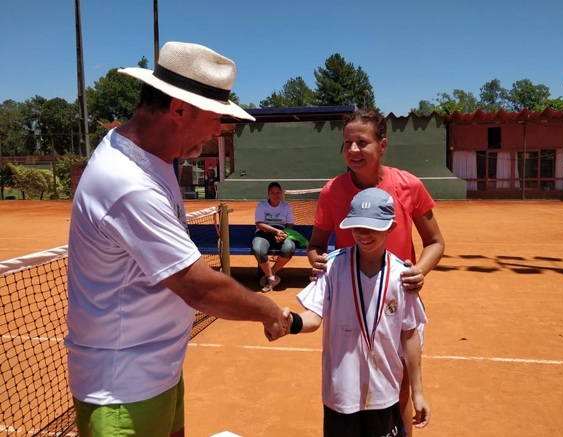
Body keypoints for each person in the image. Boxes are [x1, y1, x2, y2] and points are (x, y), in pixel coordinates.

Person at [65, 42, 290, 437]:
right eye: (216, 117)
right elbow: (196, 287)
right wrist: (267, 310)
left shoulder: (155, 159)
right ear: (180, 109)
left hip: (158, 372)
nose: (219, 129)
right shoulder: (127, 182)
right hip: (123, 391)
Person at [307, 108, 445, 437]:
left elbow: (436, 242)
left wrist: (420, 271)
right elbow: (315, 245)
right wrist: (317, 260)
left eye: (362, 143)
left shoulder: (409, 185)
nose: (353, 150)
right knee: (356, 393)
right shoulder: (332, 191)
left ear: (382, 146)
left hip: (398, 304)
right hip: (352, 310)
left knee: (401, 390)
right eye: (347, 143)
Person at [281, 187, 430, 436]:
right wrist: (291, 322)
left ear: (390, 227)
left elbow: (410, 335)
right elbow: (313, 316)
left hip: (385, 392)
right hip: (340, 393)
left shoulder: (402, 276)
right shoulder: (332, 267)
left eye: (373, 227)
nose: (364, 234)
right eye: (357, 226)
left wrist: (418, 392)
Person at [252, 182, 296, 292]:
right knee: (258, 249)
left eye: (278, 192)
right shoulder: (262, 205)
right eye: (272, 193)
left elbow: (290, 225)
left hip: (281, 234)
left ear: (281, 194)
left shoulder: (286, 206)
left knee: (289, 247)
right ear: (268, 194)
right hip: (264, 234)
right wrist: (276, 231)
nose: (275, 195)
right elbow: (259, 224)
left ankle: (271, 274)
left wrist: (284, 234)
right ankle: (272, 279)